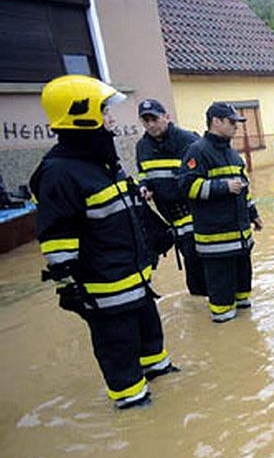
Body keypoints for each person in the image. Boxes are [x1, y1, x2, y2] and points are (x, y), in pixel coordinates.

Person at [31, 75, 179, 409]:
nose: (111, 118)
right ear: (81, 115)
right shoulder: (60, 173)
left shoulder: (100, 161)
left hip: (135, 280)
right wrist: (71, 287)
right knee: (119, 350)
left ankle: (160, 374)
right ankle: (134, 405)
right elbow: (56, 238)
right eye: (104, 111)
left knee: (149, 336)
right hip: (105, 289)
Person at [178, 102, 263, 323]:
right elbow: (187, 187)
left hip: (241, 241)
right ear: (216, 121)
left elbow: (243, 189)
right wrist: (222, 187)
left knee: (244, 301)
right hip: (216, 242)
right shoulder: (197, 151)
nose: (237, 127)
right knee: (223, 309)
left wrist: (253, 214)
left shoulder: (233, 155)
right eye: (232, 122)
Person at [135, 98, 206, 295]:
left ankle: (208, 300)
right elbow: (143, 174)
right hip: (170, 215)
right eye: (145, 121)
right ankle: (201, 300)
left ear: (166, 117)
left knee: (196, 256)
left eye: (154, 119)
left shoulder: (188, 140)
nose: (150, 125)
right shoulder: (142, 147)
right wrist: (144, 187)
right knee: (189, 255)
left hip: (193, 209)